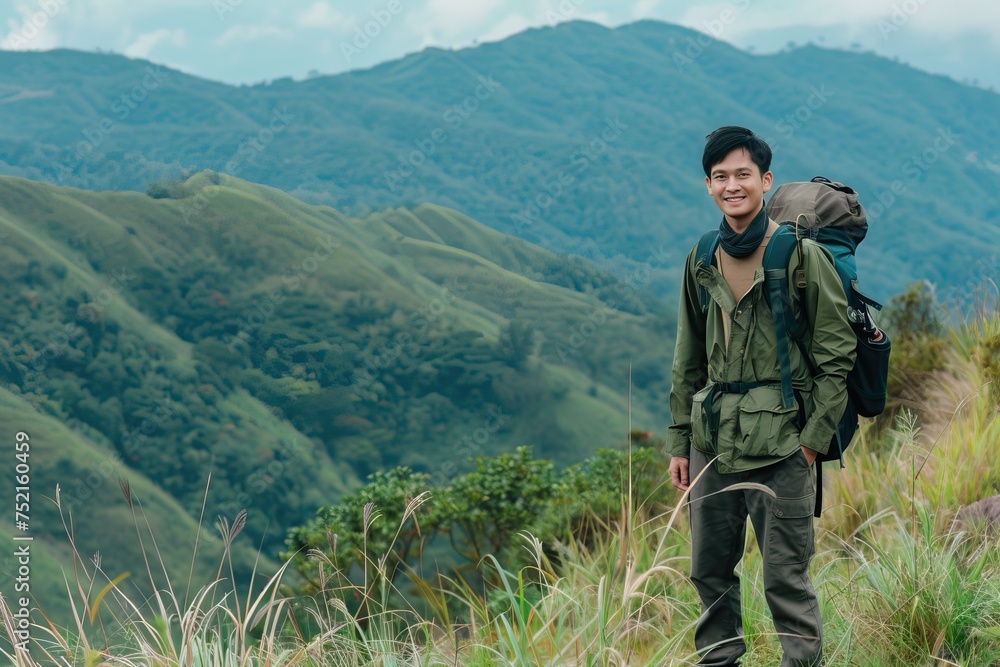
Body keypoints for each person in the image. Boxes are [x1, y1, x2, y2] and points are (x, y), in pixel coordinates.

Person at [665, 126, 856, 666]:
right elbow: (687, 357)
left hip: (784, 448)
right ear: (708, 185)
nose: (732, 185)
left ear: (765, 181)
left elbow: (835, 354)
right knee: (708, 576)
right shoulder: (701, 255)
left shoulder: (800, 255)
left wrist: (813, 442)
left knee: (785, 583)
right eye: (720, 176)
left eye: (742, 175)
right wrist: (681, 442)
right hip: (712, 446)